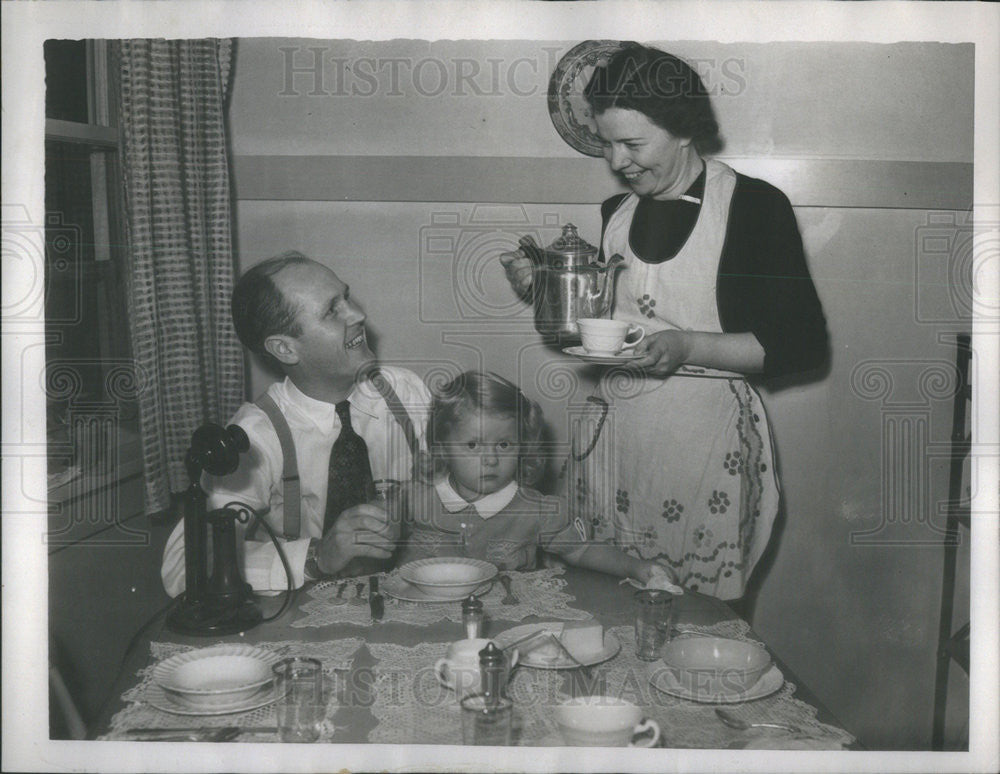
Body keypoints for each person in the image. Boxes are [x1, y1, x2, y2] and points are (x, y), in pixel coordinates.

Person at [500, 45, 829, 601]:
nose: (617, 162)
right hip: (610, 447)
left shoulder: (752, 206)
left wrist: (687, 345)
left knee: (694, 617)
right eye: (607, 144)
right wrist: (544, 289)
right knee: (604, 607)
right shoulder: (616, 214)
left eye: (632, 143)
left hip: (701, 455)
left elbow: (800, 347)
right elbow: (597, 332)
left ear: (681, 130)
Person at [161, 251, 431, 597]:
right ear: (285, 349)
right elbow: (182, 568)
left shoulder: (405, 392)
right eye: (332, 310)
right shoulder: (254, 435)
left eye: (345, 297)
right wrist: (316, 557)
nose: (359, 314)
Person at [396, 370, 670, 584]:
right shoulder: (413, 499)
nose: (491, 459)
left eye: (504, 445)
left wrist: (637, 568)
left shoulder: (537, 510)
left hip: (508, 622)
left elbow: (582, 550)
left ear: (522, 447)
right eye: (473, 446)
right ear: (441, 447)